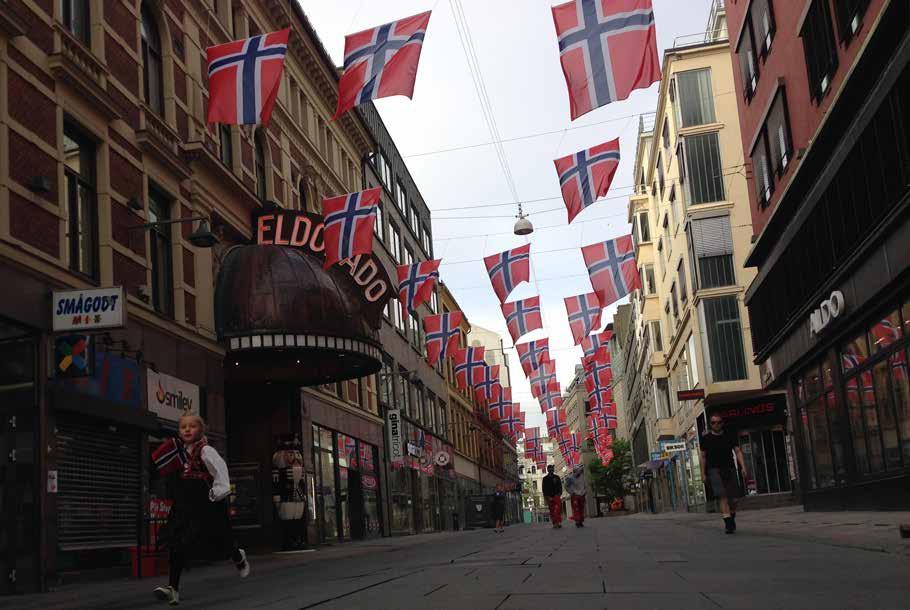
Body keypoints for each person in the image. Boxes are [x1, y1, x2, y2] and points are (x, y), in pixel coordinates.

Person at [154, 415, 250, 605]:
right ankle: (173, 588)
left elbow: (221, 474)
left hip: (207, 501)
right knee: (176, 543)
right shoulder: (177, 452)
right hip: (185, 505)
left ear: (201, 430)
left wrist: (215, 494)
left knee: (222, 537)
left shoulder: (206, 450)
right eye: (183, 427)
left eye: (192, 426)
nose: (187, 430)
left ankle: (238, 556)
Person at [700, 414, 750, 534]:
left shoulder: (729, 436)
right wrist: (703, 474)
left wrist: (743, 467)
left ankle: (731, 516)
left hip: (730, 469)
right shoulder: (706, 439)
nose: (716, 425)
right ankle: (728, 524)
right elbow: (702, 457)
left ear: (722, 423)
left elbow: (737, 451)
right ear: (710, 424)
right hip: (714, 470)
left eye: (718, 422)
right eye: (713, 422)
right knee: (722, 496)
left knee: (734, 499)